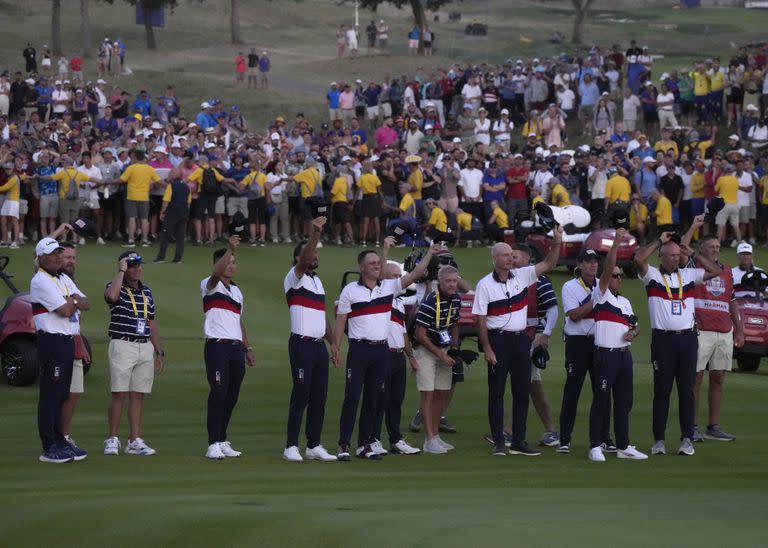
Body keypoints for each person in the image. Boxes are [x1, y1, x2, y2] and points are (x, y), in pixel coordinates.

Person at [332, 242, 439, 461]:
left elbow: (416, 273)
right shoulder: (350, 290)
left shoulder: (388, 288)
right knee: (352, 397)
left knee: (373, 398)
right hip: (359, 349)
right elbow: (341, 321)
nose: (375, 265)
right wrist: (336, 348)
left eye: (377, 263)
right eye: (371, 263)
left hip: (380, 350)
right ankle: (344, 444)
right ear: (361, 267)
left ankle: (364, 445)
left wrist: (429, 253)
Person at [473, 233, 563, 457]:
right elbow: (480, 320)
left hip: (521, 339)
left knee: (522, 391)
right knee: (497, 393)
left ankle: (519, 441)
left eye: (511, 255)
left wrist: (557, 240)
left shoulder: (523, 275)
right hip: (498, 340)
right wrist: (487, 348)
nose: (509, 259)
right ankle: (499, 441)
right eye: (505, 255)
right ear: (494, 259)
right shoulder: (484, 284)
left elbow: (550, 263)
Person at [634, 231, 721, 456]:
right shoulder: (652, 275)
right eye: (671, 255)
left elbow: (716, 271)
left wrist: (691, 252)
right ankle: (659, 440)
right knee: (662, 391)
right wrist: (659, 241)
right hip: (663, 340)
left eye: (677, 255)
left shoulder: (689, 274)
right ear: (662, 256)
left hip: (688, 340)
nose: (675, 258)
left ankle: (686, 440)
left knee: (686, 391)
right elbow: (638, 259)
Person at [588, 229, 647, 461]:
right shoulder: (600, 294)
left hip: (624, 356)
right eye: (615, 275)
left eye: (621, 275)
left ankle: (623, 446)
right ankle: (595, 446)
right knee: (601, 401)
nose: (618, 278)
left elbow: (636, 326)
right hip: (606, 355)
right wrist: (616, 242)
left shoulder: (625, 301)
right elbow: (608, 265)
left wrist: (633, 333)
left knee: (624, 402)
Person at [283, 217, 339, 462]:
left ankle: (313, 444)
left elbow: (321, 316)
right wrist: (315, 234)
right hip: (301, 344)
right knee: (301, 394)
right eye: (311, 253)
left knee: (319, 396)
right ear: (299, 258)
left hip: (317, 346)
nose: (315, 256)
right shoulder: (294, 277)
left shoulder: (317, 282)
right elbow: (306, 259)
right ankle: (291, 446)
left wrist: (333, 343)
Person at [682, 223, 744, 443]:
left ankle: (713, 426)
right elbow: (682, 246)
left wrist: (740, 329)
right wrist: (695, 226)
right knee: (695, 378)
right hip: (701, 329)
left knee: (718, 378)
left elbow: (732, 301)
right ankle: (692, 426)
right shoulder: (694, 267)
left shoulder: (727, 270)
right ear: (702, 249)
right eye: (711, 246)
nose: (716, 249)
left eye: (718, 246)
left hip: (724, 330)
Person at [31, 237, 89, 463]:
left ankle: (59, 440)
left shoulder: (63, 278)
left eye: (59, 253)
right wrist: (73, 301)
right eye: (53, 254)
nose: (58, 257)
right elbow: (66, 309)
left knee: (62, 394)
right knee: (50, 395)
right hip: (52, 341)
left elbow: (87, 302)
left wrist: (72, 301)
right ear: (42, 258)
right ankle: (49, 446)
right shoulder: (41, 281)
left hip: (67, 341)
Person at [103, 251, 165, 456]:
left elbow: (150, 322)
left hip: (144, 345)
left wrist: (158, 349)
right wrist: (120, 270)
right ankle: (112, 438)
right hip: (122, 344)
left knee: (138, 394)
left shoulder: (146, 291)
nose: (137, 269)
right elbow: (111, 297)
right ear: (123, 267)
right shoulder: (115, 287)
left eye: (138, 265)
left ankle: (134, 439)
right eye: (131, 265)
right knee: (119, 393)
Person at [202, 235, 256, 459]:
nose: (232, 266)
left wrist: (247, 347)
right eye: (229, 262)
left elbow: (238, 321)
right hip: (217, 346)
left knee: (231, 395)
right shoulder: (209, 284)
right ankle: (212, 442)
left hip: (235, 348)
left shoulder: (237, 292)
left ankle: (222, 438)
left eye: (234, 262)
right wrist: (230, 248)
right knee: (219, 391)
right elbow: (216, 273)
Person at [557, 249, 614, 454]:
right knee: (572, 391)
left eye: (595, 262)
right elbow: (573, 315)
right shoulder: (570, 286)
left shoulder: (602, 284)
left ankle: (604, 438)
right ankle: (564, 439)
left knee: (603, 392)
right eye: (588, 261)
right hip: (577, 344)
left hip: (599, 342)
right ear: (579, 265)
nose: (593, 265)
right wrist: (595, 301)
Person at [372, 261, 421, 456]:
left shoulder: (399, 302)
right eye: (392, 276)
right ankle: (373, 439)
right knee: (379, 400)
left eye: (397, 276)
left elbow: (403, 333)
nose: (396, 279)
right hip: (383, 354)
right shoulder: (379, 296)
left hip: (399, 356)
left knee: (395, 401)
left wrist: (411, 357)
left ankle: (395, 439)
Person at [413, 264, 462, 454]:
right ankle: (429, 439)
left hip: (444, 349)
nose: (452, 284)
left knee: (441, 393)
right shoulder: (430, 301)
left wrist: (455, 349)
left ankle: (435, 436)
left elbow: (455, 324)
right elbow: (420, 335)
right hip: (426, 351)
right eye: (448, 281)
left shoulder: (456, 299)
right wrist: (441, 354)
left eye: (454, 281)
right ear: (439, 282)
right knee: (428, 394)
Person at [56, 239, 92, 459]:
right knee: (58, 394)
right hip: (56, 342)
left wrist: (81, 342)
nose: (71, 262)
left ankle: (64, 436)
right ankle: (57, 437)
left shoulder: (70, 281)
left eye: (73, 258)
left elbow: (83, 305)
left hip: (73, 339)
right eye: (67, 257)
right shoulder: (47, 277)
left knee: (75, 392)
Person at [154, 168, 190, 264]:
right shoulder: (186, 187)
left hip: (172, 213)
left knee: (165, 235)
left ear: (175, 175)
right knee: (180, 236)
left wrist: (162, 212)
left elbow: (166, 201)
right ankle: (178, 259)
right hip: (183, 213)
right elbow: (188, 201)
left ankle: (161, 257)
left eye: (171, 173)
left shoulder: (171, 186)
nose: (169, 175)